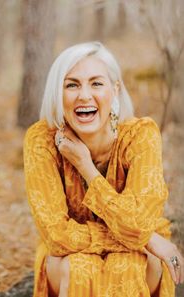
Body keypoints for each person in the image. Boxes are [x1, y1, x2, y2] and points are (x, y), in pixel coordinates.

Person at [23, 42, 184, 297]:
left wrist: (87, 168)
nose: (84, 95)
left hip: (136, 258)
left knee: (127, 265)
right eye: (71, 85)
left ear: (115, 90)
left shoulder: (141, 135)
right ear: (57, 93)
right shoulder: (41, 140)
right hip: (73, 258)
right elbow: (56, 236)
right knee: (80, 267)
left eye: (96, 83)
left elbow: (138, 222)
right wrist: (149, 240)